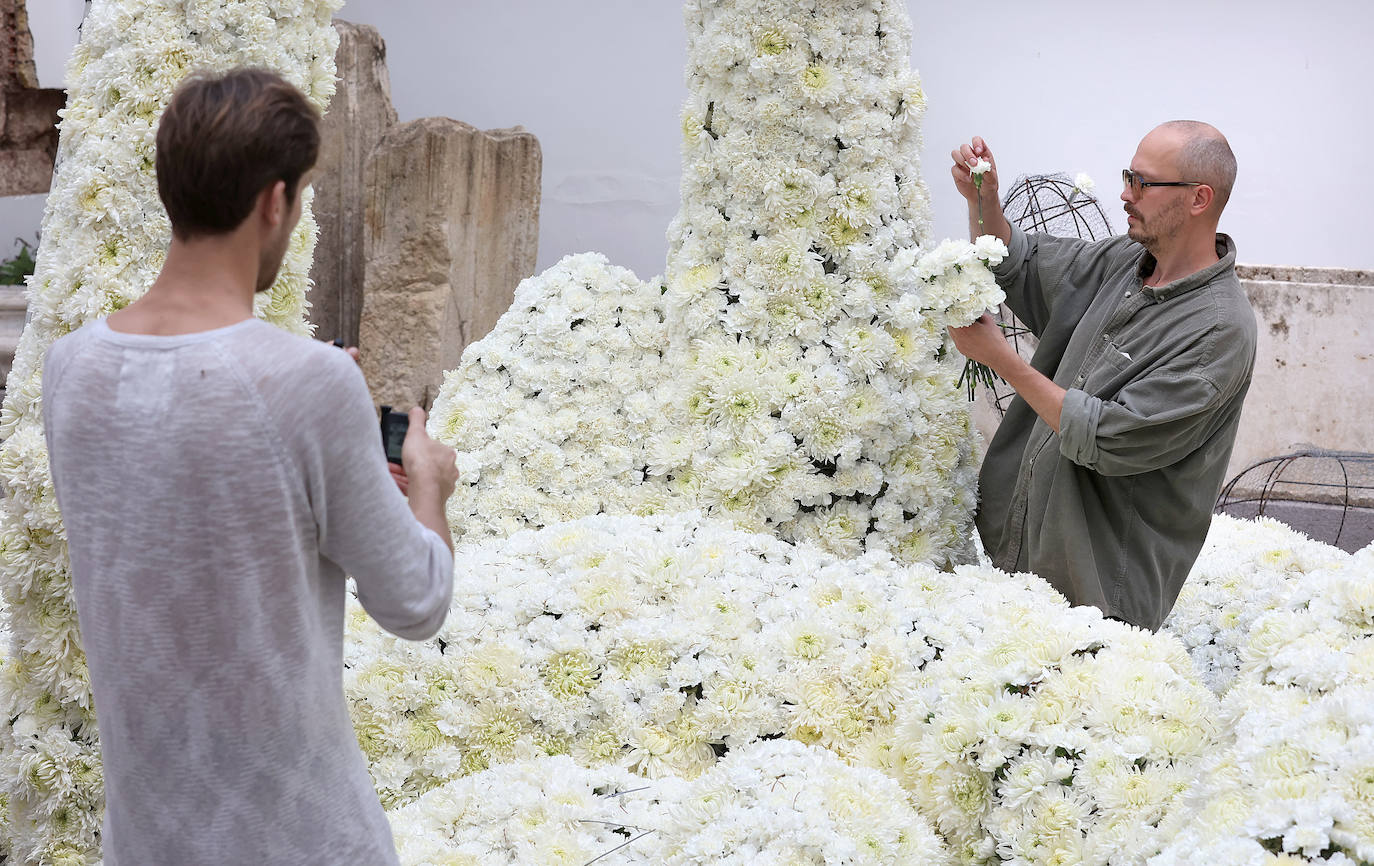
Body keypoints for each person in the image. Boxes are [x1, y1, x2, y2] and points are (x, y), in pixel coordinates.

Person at [42, 68, 459, 865]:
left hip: (148, 839)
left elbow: (174, 505)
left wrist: (309, 415)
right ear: (275, 202)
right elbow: (415, 602)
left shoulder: (68, 370)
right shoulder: (307, 384)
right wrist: (428, 482)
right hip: (299, 838)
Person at [946, 122, 1256, 630]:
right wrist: (985, 204)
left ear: (1199, 198)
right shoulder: (1126, 262)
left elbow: (1110, 438)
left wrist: (1002, 359)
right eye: (1127, 176)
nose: (1125, 193)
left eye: (1142, 182)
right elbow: (1020, 263)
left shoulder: (1218, 330)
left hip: (1098, 599)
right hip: (1022, 567)